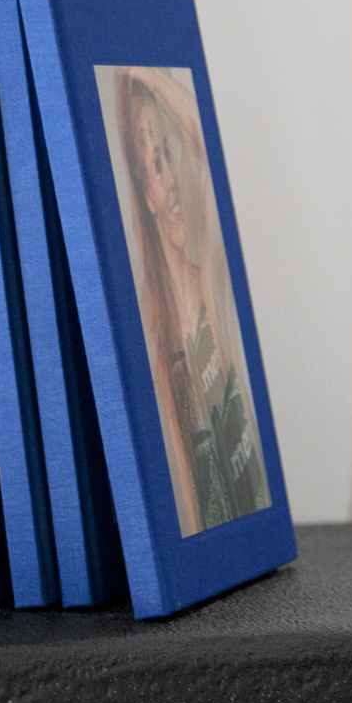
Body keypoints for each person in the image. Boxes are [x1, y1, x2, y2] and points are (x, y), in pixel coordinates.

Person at [114, 66, 268, 535]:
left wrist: (144, 75)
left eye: (169, 154)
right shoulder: (159, 339)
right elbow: (188, 491)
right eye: (155, 165)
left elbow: (208, 143)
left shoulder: (213, 282)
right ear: (147, 196)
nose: (173, 180)